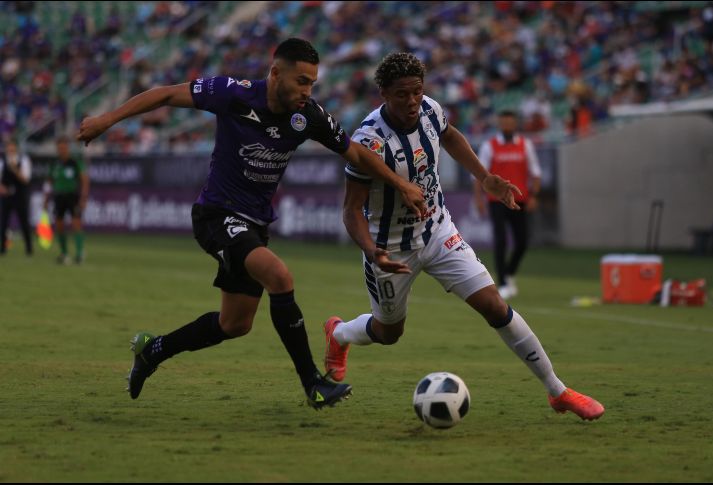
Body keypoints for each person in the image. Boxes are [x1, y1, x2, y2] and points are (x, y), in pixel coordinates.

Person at [77, 38, 427, 409]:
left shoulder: (308, 116)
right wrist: (106, 120)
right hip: (217, 214)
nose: (307, 91)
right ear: (275, 73)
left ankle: (153, 350)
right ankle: (313, 384)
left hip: (255, 224)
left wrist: (400, 183)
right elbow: (165, 95)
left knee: (235, 324)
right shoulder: (233, 94)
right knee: (280, 277)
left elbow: (355, 152)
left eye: (312, 83)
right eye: (301, 81)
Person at [324, 52, 604, 421]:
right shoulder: (369, 141)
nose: (412, 101)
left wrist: (484, 177)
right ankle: (340, 334)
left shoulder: (430, 110)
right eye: (402, 94)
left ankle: (558, 391)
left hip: (438, 231)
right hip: (390, 248)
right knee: (389, 332)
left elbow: (451, 136)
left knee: (494, 306)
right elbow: (350, 211)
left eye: (417, 91)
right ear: (384, 94)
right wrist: (373, 252)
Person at [473, 110, 542, 298]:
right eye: (503, 122)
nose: (507, 126)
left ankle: (510, 272)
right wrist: (478, 199)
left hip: (520, 200)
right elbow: (479, 175)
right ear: (499, 124)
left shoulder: (525, 145)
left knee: (522, 241)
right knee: (501, 240)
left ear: (515, 124)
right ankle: (503, 282)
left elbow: (535, 173)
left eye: (510, 122)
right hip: (497, 201)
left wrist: (534, 196)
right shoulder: (489, 146)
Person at [43, 136, 90, 264]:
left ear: (68, 148)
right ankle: (64, 253)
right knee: (59, 224)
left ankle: (79, 253)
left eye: (64, 147)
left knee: (76, 223)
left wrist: (84, 198)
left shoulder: (74, 162)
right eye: (59, 148)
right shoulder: (54, 164)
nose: (61, 150)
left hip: (72, 196)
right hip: (58, 196)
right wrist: (46, 198)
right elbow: (49, 182)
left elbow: (84, 180)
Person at [0, 139, 33, 256]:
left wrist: (15, 169)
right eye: (9, 146)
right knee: (3, 222)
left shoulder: (23, 160)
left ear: (16, 148)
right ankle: (2, 248)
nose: (10, 149)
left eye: (12, 146)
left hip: (20, 195)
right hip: (6, 196)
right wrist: (2, 188)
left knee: (24, 222)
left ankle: (29, 248)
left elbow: (26, 179)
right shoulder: (2, 161)